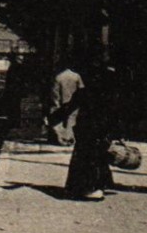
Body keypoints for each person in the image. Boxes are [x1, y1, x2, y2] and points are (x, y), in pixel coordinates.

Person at [49, 57, 121, 201]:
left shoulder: (86, 92)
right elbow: (117, 113)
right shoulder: (112, 95)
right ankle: (98, 187)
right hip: (103, 129)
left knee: (84, 158)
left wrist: (52, 119)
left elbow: (68, 107)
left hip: (86, 129)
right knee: (99, 157)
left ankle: (85, 188)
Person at [48, 59, 84, 146]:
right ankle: (70, 138)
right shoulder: (76, 76)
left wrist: (55, 102)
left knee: (59, 120)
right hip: (73, 102)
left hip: (61, 101)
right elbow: (81, 88)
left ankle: (62, 138)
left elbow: (55, 92)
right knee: (71, 119)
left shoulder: (58, 77)